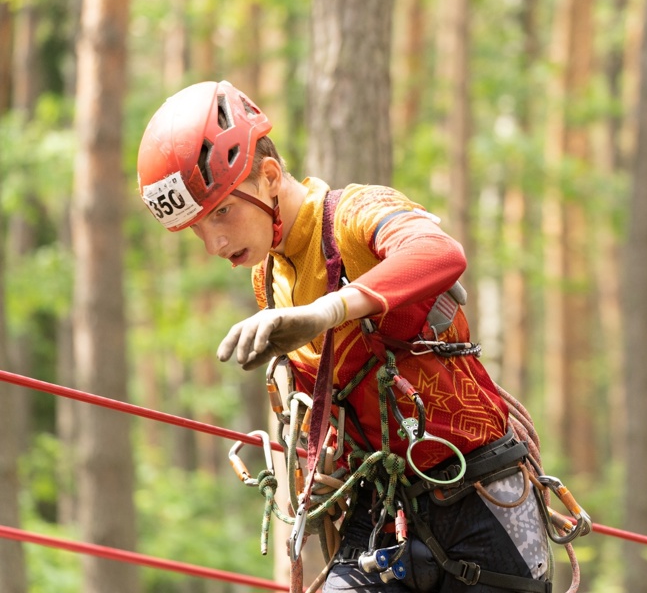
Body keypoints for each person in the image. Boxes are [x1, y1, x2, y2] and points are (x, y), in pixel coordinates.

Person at [136, 80, 554, 592]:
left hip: (482, 500)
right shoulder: (269, 279)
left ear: (269, 176)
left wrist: (326, 312)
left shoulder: (356, 214)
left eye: (222, 211)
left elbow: (440, 253)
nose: (215, 242)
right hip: (382, 511)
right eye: (199, 227)